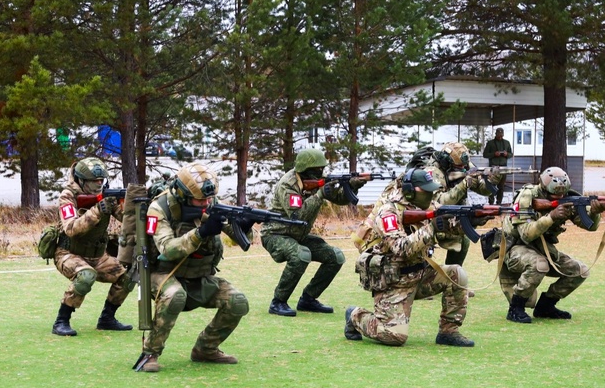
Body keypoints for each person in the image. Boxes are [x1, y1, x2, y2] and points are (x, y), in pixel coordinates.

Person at [134, 163, 251, 372]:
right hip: (161, 274)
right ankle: (150, 353)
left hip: (198, 275)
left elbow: (241, 240)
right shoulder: (159, 208)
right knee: (174, 295)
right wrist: (201, 233)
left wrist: (245, 225)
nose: (206, 204)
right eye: (200, 200)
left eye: (209, 199)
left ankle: (206, 349)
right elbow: (167, 248)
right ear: (182, 194)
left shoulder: (210, 202)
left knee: (238, 301)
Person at [344, 169, 473, 348]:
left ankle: (448, 331)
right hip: (395, 282)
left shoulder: (427, 208)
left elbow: (448, 229)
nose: (430, 194)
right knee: (394, 336)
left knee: (457, 274)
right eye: (426, 190)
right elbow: (401, 249)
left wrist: (470, 221)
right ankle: (355, 316)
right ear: (410, 191)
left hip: (420, 275)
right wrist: (432, 228)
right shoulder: (388, 212)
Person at [260, 148, 362, 317]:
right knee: (301, 254)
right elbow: (297, 215)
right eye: (318, 170)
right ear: (307, 170)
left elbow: (340, 199)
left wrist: (352, 186)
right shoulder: (288, 184)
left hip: (298, 235)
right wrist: (320, 194)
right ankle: (278, 302)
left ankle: (308, 299)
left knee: (335, 257)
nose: (321, 173)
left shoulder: (316, 181)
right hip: (275, 234)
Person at [500, 166, 605, 324]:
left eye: (561, 195)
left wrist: (595, 212)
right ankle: (516, 308)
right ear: (544, 188)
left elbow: (589, 225)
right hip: (515, 248)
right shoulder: (527, 196)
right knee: (539, 264)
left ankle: (546, 306)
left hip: (543, 248)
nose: (559, 197)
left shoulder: (569, 198)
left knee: (579, 271)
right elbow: (526, 234)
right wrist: (551, 217)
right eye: (554, 195)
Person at [50, 157, 135, 336]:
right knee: (86, 276)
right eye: (94, 181)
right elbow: (71, 228)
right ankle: (61, 321)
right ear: (81, 180)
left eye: (101, 180)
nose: (99, 184)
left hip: (97, 256)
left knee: (128, 277)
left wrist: (136, 206)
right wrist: (98, 209)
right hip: (69, 253)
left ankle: (107, 318)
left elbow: (127, 220)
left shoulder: (105, 196)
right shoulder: (68, 196)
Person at [428, 142, 496, 268]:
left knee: (464, 240)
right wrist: (464, 184)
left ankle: (453, 277)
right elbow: (441, 202)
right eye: (458, 167)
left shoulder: (465, 164)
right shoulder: (433, 172)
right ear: (446, 162)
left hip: (454, 215)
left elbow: (483, 190)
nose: (463, 168)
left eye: (464, 166)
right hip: (430, 218)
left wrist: (492, 180)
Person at [482, 128, 513, 203]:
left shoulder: (507, 143)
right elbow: (485, 154)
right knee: (491, 186)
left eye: (501, 135)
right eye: (499, 135)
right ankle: (491, 202)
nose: (500, 137)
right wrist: (494, 154)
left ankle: (499, 202)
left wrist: (506, 154)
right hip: (493, 167)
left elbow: (511, 154)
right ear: (496, 134)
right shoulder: (490, 143)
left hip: (503, 167)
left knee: (501, 186)